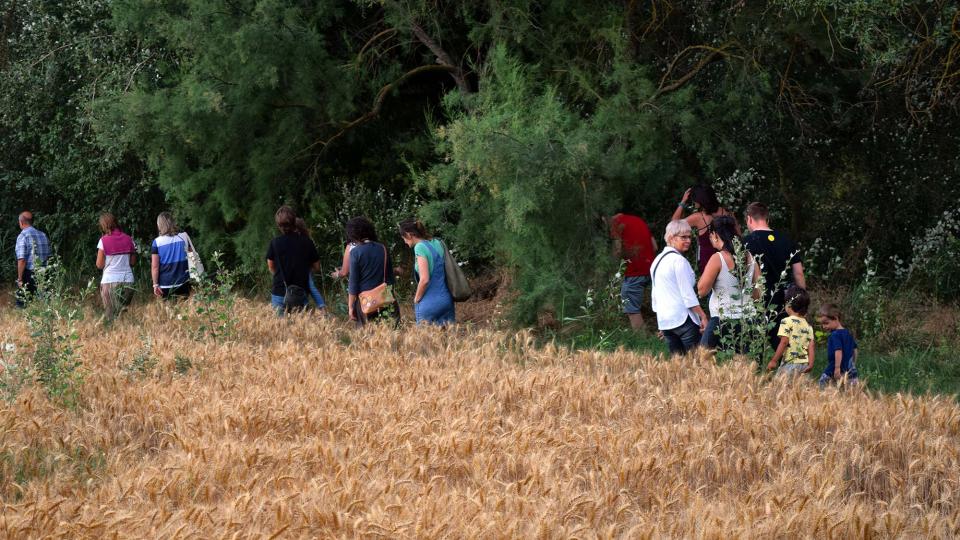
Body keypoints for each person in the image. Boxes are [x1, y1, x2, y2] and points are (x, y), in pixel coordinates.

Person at [743, 202, 807, 350]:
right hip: (786, 300)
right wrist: (802, 301)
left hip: (757, 301)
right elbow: (798, 273)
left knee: (754, 347)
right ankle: (790, 371)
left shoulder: (746, 242)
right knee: (785, 346)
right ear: (767, 218)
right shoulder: (786, 240)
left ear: (749, 219)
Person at [696, 215, 761, 351]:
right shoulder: (750, 257)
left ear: (714, 235)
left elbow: (702, 290)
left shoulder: (718, 258)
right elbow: (758, 294)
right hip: (748, 318)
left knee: (702, 359)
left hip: (722, 318)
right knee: (742, 366)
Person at [651, 220, 707, 355]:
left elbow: (655, 296)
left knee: (678, 368)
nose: (688, 240)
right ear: (671, 238)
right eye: (683, 237)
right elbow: (688, 295)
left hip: (666, 322)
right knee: (697, 365)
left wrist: (662, 322)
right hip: (683, 320)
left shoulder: (657, 261)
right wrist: (703, 316)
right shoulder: (679, 261)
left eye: (689, 237)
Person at [671, 185, 739, 274]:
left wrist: (683, 202)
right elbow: (738, 236)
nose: (693, 202)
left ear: (700, 200)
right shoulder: (727, 213)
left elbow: (673, 224)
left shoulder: (699, 217)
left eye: (694, 199)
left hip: (709, 263)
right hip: (730, 260)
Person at [398, 218, 455, 325]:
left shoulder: (420, 247)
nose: (404, 241)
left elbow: (424, 279)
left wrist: (416, 299)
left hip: (430, 303)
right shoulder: (437, 242)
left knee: (426, 341)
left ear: (409, 234)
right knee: (447, 340)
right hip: (447, 300)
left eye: (403, 238)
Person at [608, 211, 657, 330]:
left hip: (635, 271)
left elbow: (618, 251)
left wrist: (610, 266)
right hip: (652, 269)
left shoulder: (615, 223)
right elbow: (655, 246)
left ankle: (642, 342)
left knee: (631, 308)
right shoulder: (637, 219)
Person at [266, 207, 320, 315]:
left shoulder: (275, 243)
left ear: (278, 225)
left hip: (279, 291)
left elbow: (271, 267)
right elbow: (317, 267)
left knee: (280, 329)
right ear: (294, 221)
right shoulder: (307, 242)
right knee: (300, 329)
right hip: (301, 292)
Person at [346, 217, 398, 326]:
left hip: (365, 303)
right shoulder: (383, 248)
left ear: (353, 234)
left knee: (368, 339)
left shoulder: (355, 253)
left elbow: (353, 283)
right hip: (385, 298)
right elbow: (390, 278)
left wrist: (351, 307)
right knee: (390, 334)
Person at [96, 213, 136, 320]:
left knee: (110, 316)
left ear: (104, 226)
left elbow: (99, 265)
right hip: (128, 281)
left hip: (109, 281)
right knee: (123, 316)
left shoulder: (103, 241)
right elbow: (132, 262)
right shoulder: (129, 239)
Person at [767, 285, 814, 376]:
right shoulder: (808, 325)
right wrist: (811, 364)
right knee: (799, 390)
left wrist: (773, 361)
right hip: (804, 366)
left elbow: (784, 342)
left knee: (778, 388)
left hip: (789, 365)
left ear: (788, 304)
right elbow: (811, 346)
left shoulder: (786, 321)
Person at [151, 212, 194, 299]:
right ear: (173, 222)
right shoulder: (184, 237)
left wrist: (155, 285)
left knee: (170, 311)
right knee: (185, 311)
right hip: (184, 282)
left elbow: (155, 266)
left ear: (159, 225)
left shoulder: (157, 242)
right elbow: (192, 257)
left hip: (166, 285)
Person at [14, 211, 51, 308]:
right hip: (44, 273)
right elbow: (49, 256)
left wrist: (20, 279)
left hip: (29, 274)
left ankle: (21, 322)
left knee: (22, 305)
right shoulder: (43, 235)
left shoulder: (23, 236)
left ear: (21, 222)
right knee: (45, 305)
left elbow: (22, 260)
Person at [817, 303, 859, 387]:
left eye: (826, 323)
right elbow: (855, 350)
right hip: (850, 368)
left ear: (836, 318)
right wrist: (853, 363)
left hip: (834, 368)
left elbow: (838, 351)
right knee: (851, 391)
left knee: (823, 383)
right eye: (822, 324)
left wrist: (837, 368)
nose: (824, 326)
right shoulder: (848, 333)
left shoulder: (835, 334)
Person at [294, 218, 326, 310]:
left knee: (310, 287)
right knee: (309, 287)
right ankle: (320, 307)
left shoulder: (302, 241)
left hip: (302, 269)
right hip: (307, 268)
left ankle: (321, 307)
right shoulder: (307, 240)